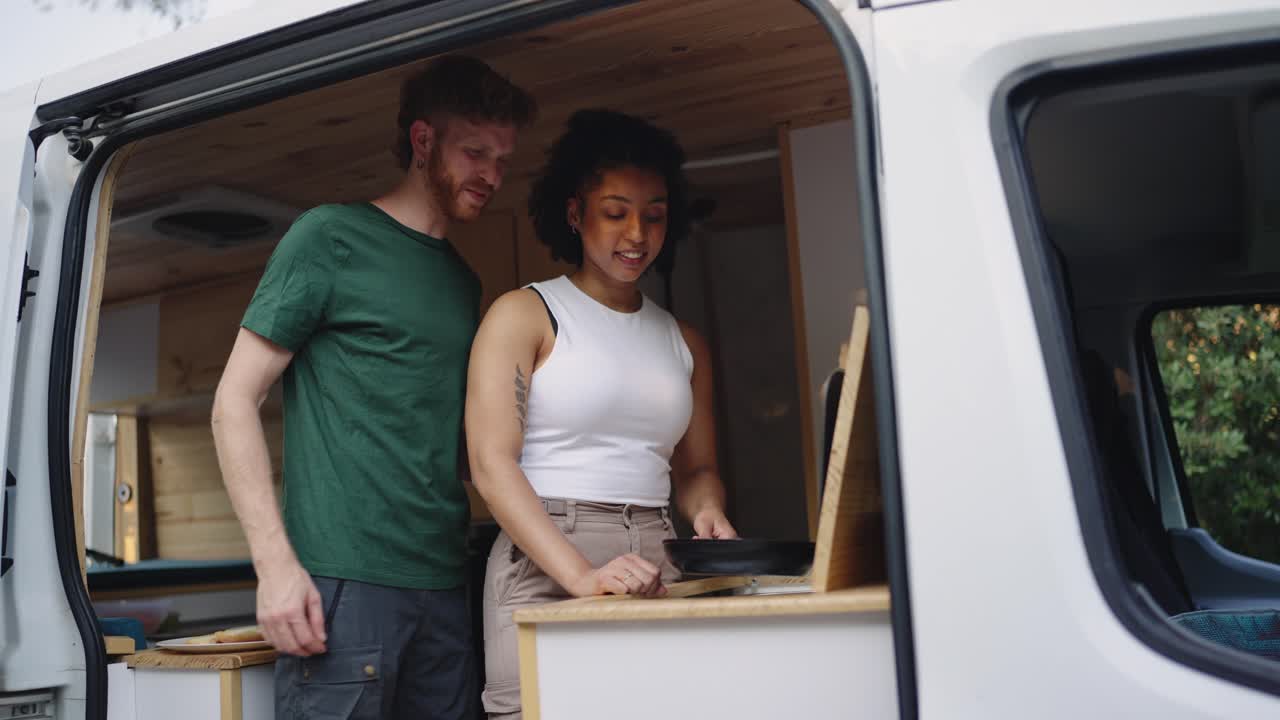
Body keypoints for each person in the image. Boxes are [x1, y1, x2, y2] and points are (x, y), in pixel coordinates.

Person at [210, 55, 535, 719]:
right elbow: (231, 403)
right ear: (422, 142)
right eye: (475, 152)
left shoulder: (460, 282)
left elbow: (461, 451)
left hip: (445, 586)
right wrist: (275, 567)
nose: (492, 176)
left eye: (502, 159)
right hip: (341, 586)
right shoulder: (329, 238)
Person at [465, 109, 738, 719]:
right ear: (574, 214)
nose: (637, 233)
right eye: (615, 212)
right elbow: (490, 464)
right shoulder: (525, 314)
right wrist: (582, 575)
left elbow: (697, 471)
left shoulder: (683, 341)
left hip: (657, 557)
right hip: (546, 552)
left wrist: (708, 510)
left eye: (655, 214)